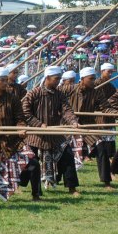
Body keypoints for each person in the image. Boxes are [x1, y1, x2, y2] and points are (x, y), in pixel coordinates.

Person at [0, 67, 41, 203]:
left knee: (34, 163)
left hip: (13, 141)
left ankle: (36, 195)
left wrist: (21, 129)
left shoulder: (14, 99)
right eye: (2, 80)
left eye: (6, 80)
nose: (6, 83)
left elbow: (20, 119)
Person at [22, 66, 81, 196]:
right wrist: (38, 124)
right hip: (36, 135)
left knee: (68, 155)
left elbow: (67, 110)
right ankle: (29, 189)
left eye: (60, 78)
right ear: (47, 78)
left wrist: (73, 121)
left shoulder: (60, 94)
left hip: (54, 133)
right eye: (56, 79)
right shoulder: (33, 93)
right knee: (31, 162)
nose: (58, 81)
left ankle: (72, 187)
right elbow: (25, 113)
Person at [61, 67, 113, 190]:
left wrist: (113, 112)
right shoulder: (69, 89)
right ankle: (70, 186)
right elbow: (55, 95)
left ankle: (107, 181)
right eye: (91, 79)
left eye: (94, 78)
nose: (93, 81)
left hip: (87, 125)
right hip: (69, 125)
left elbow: (105, 107)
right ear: (82, 79)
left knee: (101, 148)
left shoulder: (96, 92)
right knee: (66, 153)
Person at [94, 63, 117, 181]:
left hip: (110, 119)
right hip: (99, 120)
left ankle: (112, 171)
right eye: (109, 71)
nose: (111, 74)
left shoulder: (111, 86)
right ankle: (109, 174)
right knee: (102, 148)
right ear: (102, 71)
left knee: (110, 148)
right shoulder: (95, 85)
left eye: (112, 71)